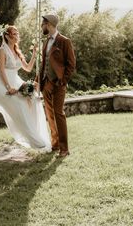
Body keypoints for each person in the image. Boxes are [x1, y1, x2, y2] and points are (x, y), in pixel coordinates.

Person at [0, 25, 51, 151]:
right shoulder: (2, 51)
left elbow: (27, 68)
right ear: (7, 36)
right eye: (14, 34)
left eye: (17, 34)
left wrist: (34, 55)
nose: (17, 36)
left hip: (16, 81)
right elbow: (1, 71)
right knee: (20, 104)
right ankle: (33, 138)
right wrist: (8, 87)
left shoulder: (16, 51)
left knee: (34, 99)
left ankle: (37, 133)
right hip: (1, 84)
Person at [39, 14, 76, 157]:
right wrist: (39, 81)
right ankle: (54, 144)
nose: (42, 27)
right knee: (49, 114)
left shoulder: (64, 41)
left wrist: (63, 80)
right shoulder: (46, 41)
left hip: (59, 84)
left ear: (49, 25)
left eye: (43, 24)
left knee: (59, 113)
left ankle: (64, 149)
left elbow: (71, 64)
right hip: (46, 84)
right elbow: (44, 63)